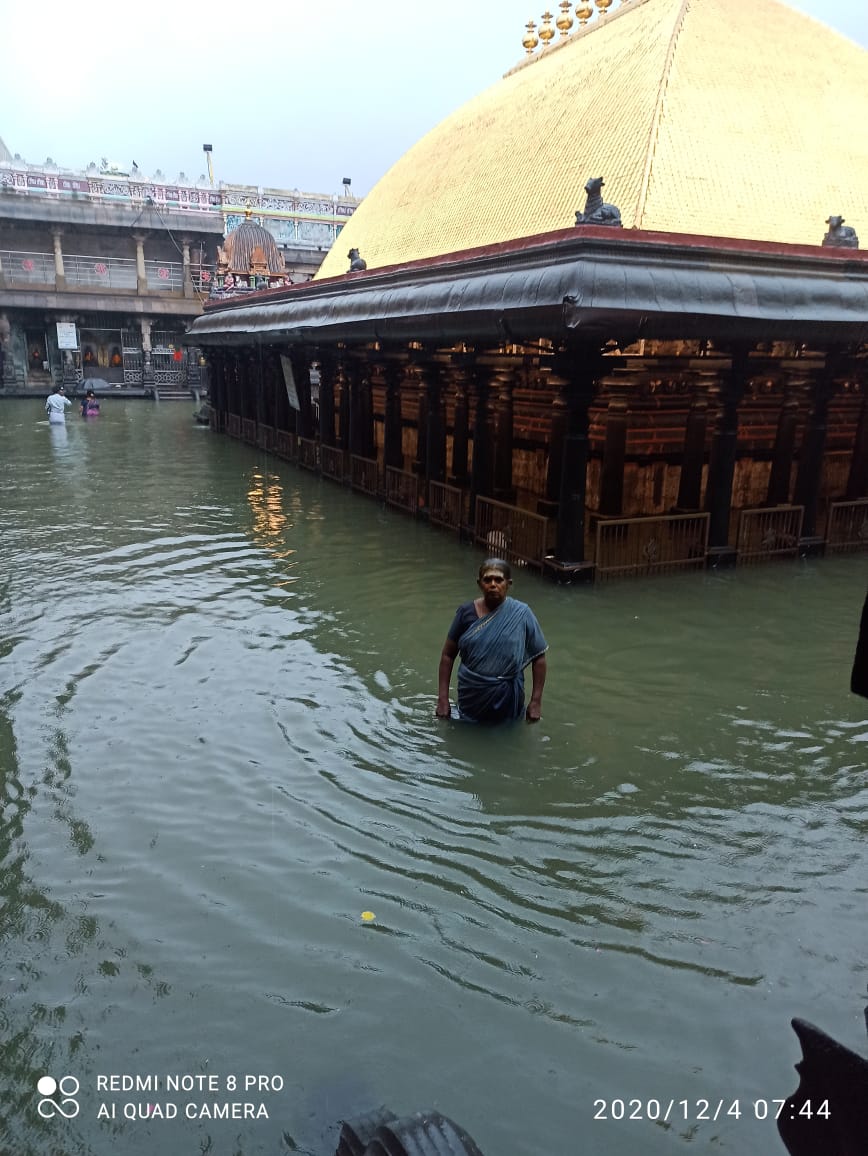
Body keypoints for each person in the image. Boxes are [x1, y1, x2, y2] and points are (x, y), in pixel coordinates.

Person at [436, 558, 548, 724]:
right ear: (479, 583)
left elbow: (539, 658)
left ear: (508, 583)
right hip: (472, 696)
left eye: (499, 579)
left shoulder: (522, 614)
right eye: (487, 579)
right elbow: (447, 655)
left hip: (509, 699)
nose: (493, 584)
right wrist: (443, 699)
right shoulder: (466, 614)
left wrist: (536, 701)